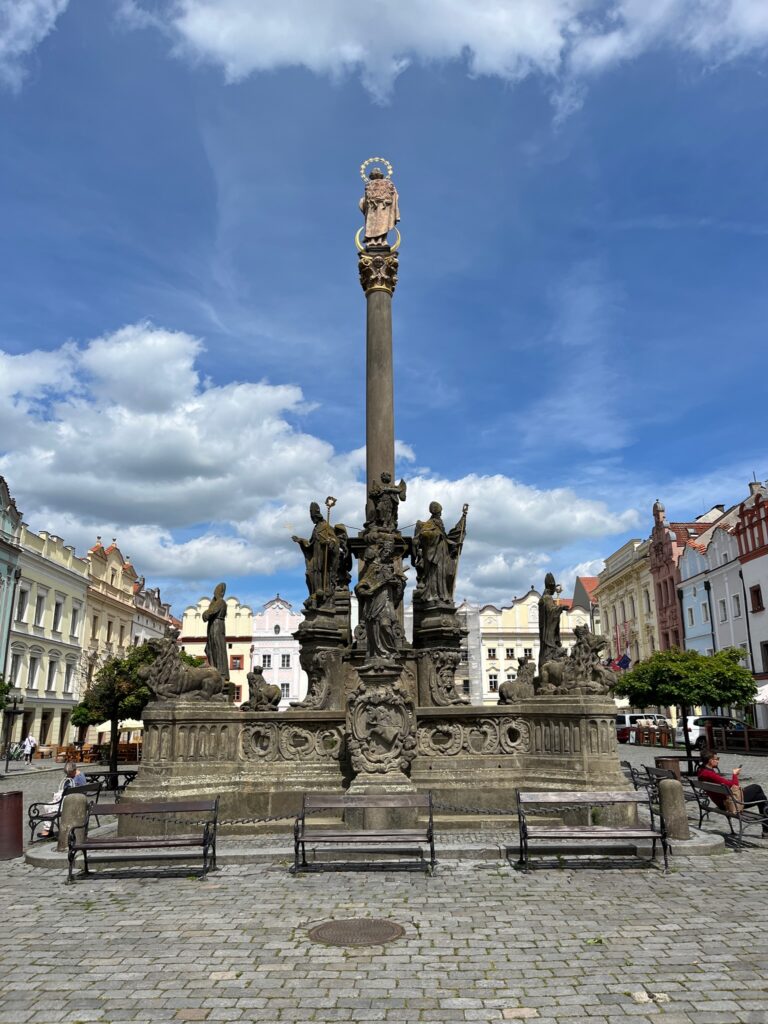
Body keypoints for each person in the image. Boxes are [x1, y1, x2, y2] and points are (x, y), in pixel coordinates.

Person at [697, 750, 768, 834]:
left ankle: (766, 830)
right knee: (756, 787)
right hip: (729, 804)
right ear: (710, 760)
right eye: (717, 758)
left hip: (722, 802)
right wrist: (735, 774)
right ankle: (766, 830)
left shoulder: (701, 772)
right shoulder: (710, 774)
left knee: (761, 798)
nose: (718, 760)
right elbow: (734, 786)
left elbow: (725, 784)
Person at [37, 761, 86, 838]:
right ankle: (48, 829)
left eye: (69, 773)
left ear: (74, 770)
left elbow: (70, 792)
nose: (67, 775)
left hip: (72, 803)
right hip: (73, 801)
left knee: (48, 807)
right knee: (48, 806)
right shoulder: (79, 775)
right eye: (67, 773)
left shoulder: (77, 779)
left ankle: (47, 831)